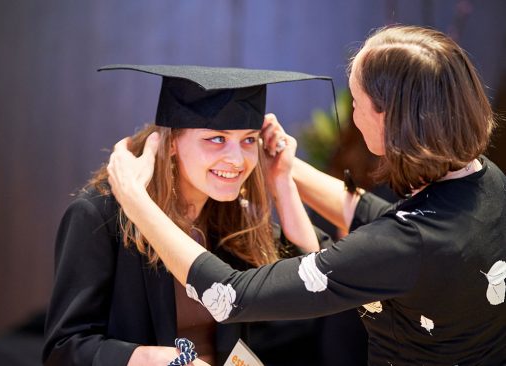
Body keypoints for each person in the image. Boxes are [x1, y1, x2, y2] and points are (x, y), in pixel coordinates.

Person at [106, 25, 506, 365]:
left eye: (357, 101)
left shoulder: (403, 245)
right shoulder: (488, 181)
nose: (351, 115)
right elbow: (383, 216)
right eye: (217, 139)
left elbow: (230, 296)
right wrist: (287, 169)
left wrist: (134, 197)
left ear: (390, 116)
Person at [43, 65, 343, 366]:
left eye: (249, 140)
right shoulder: (100, 215)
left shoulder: (229, 216)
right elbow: (65, 349)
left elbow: (312, 284)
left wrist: (282, 181)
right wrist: (160, 360)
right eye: (216, 139)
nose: (237, 160)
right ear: (171, 142)